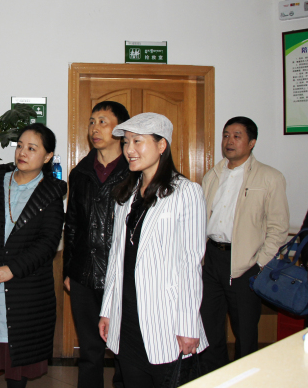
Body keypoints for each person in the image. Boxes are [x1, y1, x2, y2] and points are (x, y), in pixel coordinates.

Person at [98, 113, 208, 388]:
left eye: (138, 141)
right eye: (126, 142)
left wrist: (188, 325)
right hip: (127, 317)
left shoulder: (186, 192)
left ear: (161, 145)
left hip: (166, 319)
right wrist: (108, 310)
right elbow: (116, 258)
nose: (129, 149)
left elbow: (191, 262)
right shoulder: (127, 194)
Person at [0, 123, 67, 388]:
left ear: (48, 156)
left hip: (25, 292)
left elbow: (47, 243)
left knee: (18, 367)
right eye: (20, 146)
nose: (22, 152)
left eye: (32, 148)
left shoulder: (51, 192)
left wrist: (12, 269)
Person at [200, 117, 289, 372]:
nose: (229, 141)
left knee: (246, 331)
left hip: (246, 263)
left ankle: (245, 378)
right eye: (226, 135)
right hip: (212, 259)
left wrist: (258, 264)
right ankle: (215, 377)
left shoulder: (270, 177)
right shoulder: (212, 175)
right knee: (209, 326)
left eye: (237, 136)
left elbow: (278, 228)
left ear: (252, 143)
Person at [63, 101, 130, 388]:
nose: (95, 128)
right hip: (84, 273)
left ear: (121, 129)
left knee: (125, 349)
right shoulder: (80, 173)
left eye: (103, 121)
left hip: (122, 274)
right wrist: (68, 270)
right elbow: (72, 225)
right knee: (90, 350)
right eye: (92, 121)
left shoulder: (135, 170)